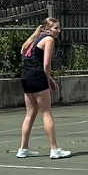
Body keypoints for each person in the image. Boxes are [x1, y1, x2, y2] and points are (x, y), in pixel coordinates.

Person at [17, 17, 71, 160]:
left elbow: (36, 62)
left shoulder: (35, 39)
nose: (59, 31)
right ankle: (54, 149)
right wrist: (47, 82)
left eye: (59, 28)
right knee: (46, 113)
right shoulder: (49, 39)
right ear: (47, 29)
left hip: (26, 76)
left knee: (30, 113)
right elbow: (46, 64)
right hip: (37, 77)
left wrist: (50, 80)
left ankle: (23, 148)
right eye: (55, 28)